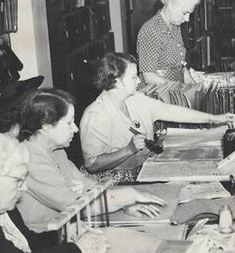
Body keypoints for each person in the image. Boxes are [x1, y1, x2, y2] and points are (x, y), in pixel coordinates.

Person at [15, 88, 167, 233]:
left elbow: (87, 185)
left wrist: (124, 203)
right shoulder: (30, 159)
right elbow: (73, 205)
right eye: (69, 123)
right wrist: (128, 195)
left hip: (66, 229)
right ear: (46, 126)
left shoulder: (55, 151)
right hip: (45, 240)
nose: (75, 128)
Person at [0, 132, 108, 253]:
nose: (24, 188)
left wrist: (64, 233)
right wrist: (78, 249)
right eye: (18, 180)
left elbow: (28, 242)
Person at [80, 52, 235, 183]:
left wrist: (214, 118)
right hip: (111, 181)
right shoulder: (95, 115)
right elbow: (93, 165)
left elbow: (171, 111)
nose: (138, 81)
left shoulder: (136, 98)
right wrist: (128, 150)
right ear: (116, 82)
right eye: (133, 77)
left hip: (142, 169)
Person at [136, 0, 201, 85]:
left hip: (174, 90)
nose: (187, 19)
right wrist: (179, 89)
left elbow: (180, 67)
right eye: (185, 13)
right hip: (157, 93)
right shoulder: (150, 30)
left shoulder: (175, 26)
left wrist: (194, 87)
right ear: (171, 5)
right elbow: (149, 77)